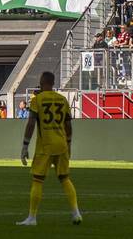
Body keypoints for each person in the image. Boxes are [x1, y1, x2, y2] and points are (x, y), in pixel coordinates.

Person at [18, 71, 80, 226]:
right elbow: (68, 124)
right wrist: (69, 143)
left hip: (45, 146)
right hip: (62, 144)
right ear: (53, 83)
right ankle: (76, 213)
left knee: (37, 180)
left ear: (41, 81)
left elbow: (31, 123)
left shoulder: (37, 100)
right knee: (64, 178)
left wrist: (25, 145)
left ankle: (32, 218)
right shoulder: (62, 99)